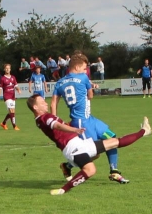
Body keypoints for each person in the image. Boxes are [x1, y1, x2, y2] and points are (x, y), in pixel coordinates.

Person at [27, 94, 152, 195]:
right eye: (42, 102)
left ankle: (144, 131)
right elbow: (57, 125)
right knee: (91, 170)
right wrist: (74, 130)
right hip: (73, 148)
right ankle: (63, 189)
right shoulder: (44, 118)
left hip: (79, 144)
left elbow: (58, 127)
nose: (46, 103)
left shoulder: (42, 119)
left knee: (114, 142)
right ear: (35, 108)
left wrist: (70, 126)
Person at [51, 52, 130, 184]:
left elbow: (53, 103)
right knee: (94, 153)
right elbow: (91, 96)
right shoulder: (83, 77)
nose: (85, 70)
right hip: (83, 123)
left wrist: (54, 122)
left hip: (88, 119)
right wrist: (90, 87)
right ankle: (68, 166)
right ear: (77, 68)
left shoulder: (59, 83)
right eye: (84, 68)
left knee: (112, 137)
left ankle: (114, 171)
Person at [0, 63, 22, 130]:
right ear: (4, 69)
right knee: (11, 110)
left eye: (9, 68)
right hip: (7, 96)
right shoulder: (2, 79)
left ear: (10, 69)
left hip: (12, 96)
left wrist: (18, 89)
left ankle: (3, 123)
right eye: (6, 68)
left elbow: (16, 86)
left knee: (12, 112)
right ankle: (14, 126)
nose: (7, 69)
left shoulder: (13, 77)